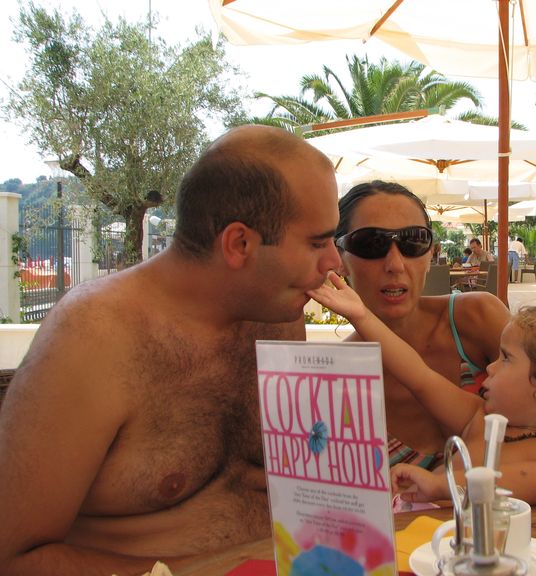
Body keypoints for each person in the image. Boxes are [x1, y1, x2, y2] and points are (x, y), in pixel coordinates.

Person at [0, 125, 342, 574]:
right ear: (239, 243)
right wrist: (225, 564)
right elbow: (13, 557)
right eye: (317, 242)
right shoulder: (95, 336)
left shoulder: (276, 316)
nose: (334, 262)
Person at [308, 279, 536, 504]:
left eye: (506, 358)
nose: (490, 367)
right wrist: (362, 316)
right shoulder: (477, 417)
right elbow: (418, 375)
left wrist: (443, 484)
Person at [334, 181, 510, 471]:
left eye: (413, 242)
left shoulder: (477, 318)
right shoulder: (335, 379)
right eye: (372, 244)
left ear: (430, 254)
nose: (395, 264)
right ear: (338, 258)